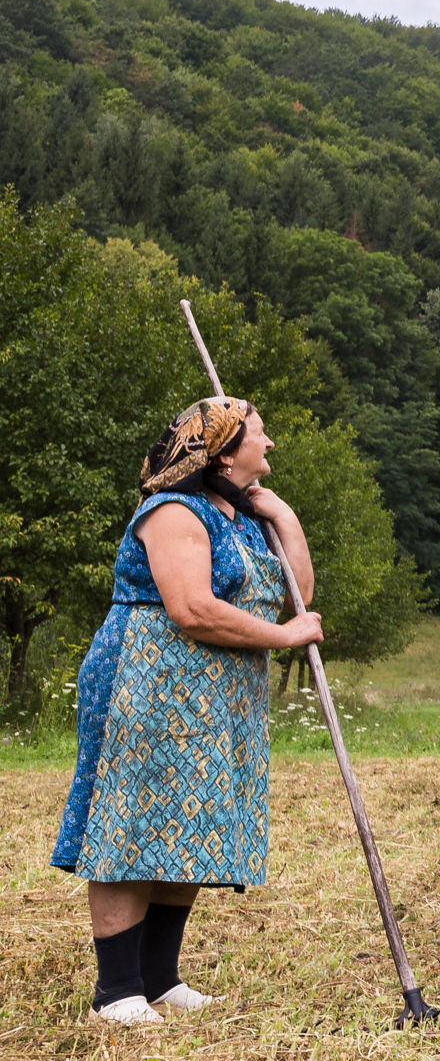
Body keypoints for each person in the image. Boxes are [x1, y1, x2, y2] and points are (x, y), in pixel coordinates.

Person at [49, 398, 321, 1024]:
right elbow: (191, 607)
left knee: (190, 821)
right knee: (135, 821)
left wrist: (282, 515)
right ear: (224, 454)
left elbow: (297, 597)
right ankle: (117, 990)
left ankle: (158, 979)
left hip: (217, 695)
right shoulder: (174, 511)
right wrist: (284, 638)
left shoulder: (242, 518)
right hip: (149, 681)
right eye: (259, 434)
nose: (270, 444)